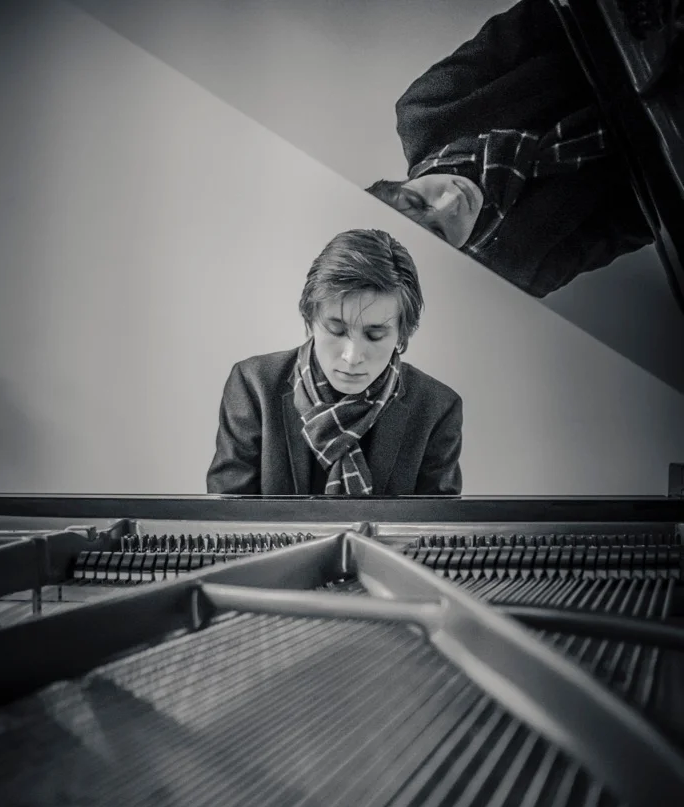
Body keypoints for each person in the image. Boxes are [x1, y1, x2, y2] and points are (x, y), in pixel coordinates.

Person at [366, 0, 654, 298]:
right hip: (659, 137)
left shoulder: (424, 109)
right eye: (439, 234)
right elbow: (637, 221)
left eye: (416, 201)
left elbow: (537, 20)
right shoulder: (520, 271)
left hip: (630, 33)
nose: (452, 201)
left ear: (393, 184)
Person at [206, 229, 463, 496]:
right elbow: (226, 514)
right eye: (336, 330)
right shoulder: (253, 385)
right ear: (310, 320)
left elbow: (437, 521)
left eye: (374, 335)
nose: (352, 357)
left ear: (402, 334)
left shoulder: (437, 408)